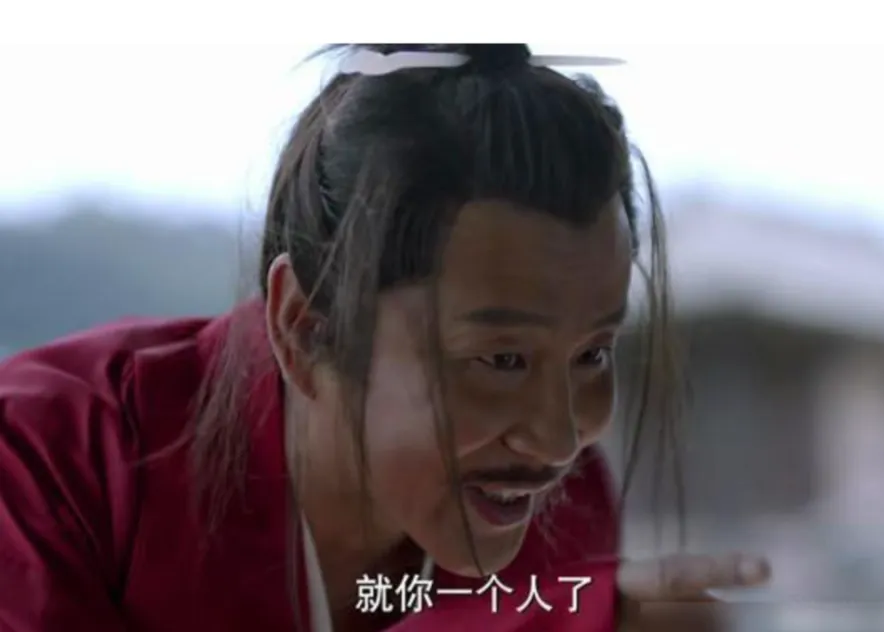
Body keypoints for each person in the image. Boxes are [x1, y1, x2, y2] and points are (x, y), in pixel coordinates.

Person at [0, 44, 769, 632]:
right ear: (304, 327)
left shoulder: (561, 513)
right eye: (501, 360)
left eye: (591, 355)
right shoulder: (48, 461)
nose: (559, 438)